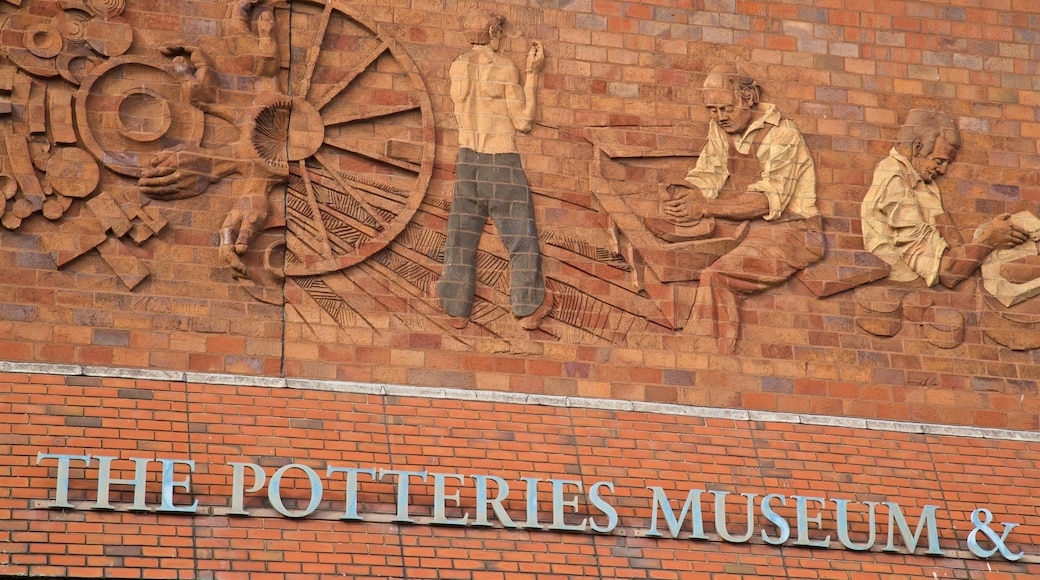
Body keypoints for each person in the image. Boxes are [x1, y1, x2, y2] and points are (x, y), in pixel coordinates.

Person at [662, 63, 824, 354]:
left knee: (716, 277)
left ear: (748, 99)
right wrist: (685, 195)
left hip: (792, 234)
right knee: (679, 257)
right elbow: (708, 173)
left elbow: (766, 200)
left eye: (726, 109)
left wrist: (705, 208)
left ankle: (709, 354)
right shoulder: (720, 128)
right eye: (712, 110)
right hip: (746, 227)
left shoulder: (782, 135)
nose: (720, 117)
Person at [436, 14, 550, 329]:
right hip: (502, 162)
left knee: (460, 238)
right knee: (521, 238)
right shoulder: (502, 68)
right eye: (498, 31)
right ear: (492, 32)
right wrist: (532, 73)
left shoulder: (458, 67)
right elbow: (524, 122)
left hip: (468, 160)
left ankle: (455, 307)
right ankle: (527, 307)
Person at [861, 109, 1032, 290]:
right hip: (906, 292)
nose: (942, 170)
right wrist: (989, 240)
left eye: (947, 164)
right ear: (917, 147)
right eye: (939, 160)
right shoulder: (894, 183)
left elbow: (953, 244)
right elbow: (947, 272)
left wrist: (988, 234)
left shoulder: (922, 178)